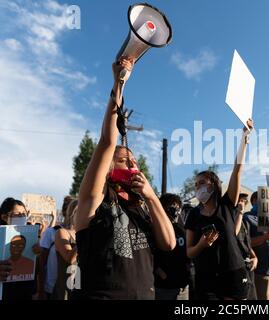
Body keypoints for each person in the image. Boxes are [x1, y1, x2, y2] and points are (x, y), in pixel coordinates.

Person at [75, 56, 176, 300]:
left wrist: (151, 197)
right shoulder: (95, 202)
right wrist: (119, 85)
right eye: (124, 161)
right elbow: (108, 142)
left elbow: (169, 243)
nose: (133, 166)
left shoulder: (141, 207)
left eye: (135, 163)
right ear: (109, 171)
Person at [185, 119, 253, 300]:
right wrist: (201, 245)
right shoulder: (193, 214)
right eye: (195, 185)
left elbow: (237, 171)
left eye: (202, 183)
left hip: (233, 273)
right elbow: (189, 251)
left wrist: (244, 139)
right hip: (206, 278)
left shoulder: (227, 204)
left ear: (214, 185)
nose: (198, 187)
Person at [0, 198, 41, 300]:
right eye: (17, 214)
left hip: (25, 290)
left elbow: (36, 268)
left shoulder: (31, 236)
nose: (22, 216)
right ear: (5, 217)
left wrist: (38, 253)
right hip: (4, 290)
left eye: (24, 213)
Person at [154, 193, 191, 300]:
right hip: (164, 287)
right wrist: (159, 272)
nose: (175, 210)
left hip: (182, 286)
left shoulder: (181, 228)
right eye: (172, 206)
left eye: (178, 207)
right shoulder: (156, 227)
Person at [38, 195, 75, 300]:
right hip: (52, 289)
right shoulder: (52, 232)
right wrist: (40, 290)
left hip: (72, 288)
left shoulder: (79, 233)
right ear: (65, 212)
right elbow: (42, 262)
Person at [52, 199, 79, 300]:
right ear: (73, 213)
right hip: (66, 289)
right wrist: (84, 234)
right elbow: (70, 259)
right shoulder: (62, 232)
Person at [234, 193, 258, 300]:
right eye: (241, 201)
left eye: (245, 201)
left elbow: (246, 243)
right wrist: (239, 212)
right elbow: (233, 235)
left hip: (249, 267)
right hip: (238, 268)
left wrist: (255, 257)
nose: (243, 204)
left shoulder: (244, 220)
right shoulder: (230, 217)